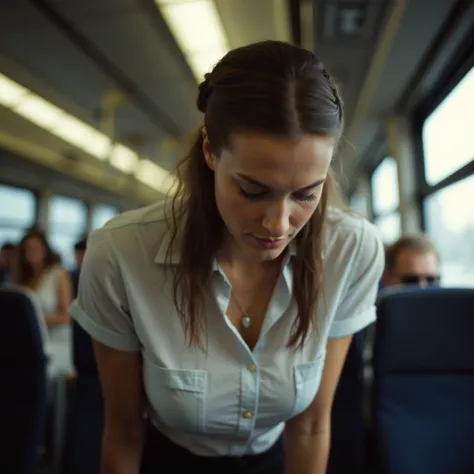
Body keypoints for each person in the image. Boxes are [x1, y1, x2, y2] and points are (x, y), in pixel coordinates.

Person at [70, 40, 384, 474]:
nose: (278, 224)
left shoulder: (352, 249)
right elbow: (123, 432)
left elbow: (311, 425)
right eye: (253, 191)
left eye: (306, 194)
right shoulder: (120, 255)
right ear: (210, 152)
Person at [14, 229, 73, 377]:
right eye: (27, 249)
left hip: (55, 340)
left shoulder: (58, 274)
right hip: (30, 339)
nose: (31, 252)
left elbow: (66, 316)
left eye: (35, 248)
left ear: (45, 250)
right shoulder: (22, 279)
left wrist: (34, 320)